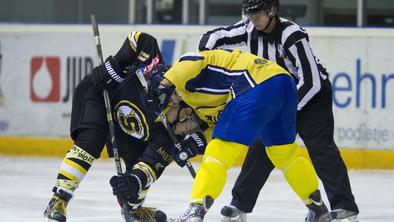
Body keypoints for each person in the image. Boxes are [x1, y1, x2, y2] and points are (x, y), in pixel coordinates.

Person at [197, 0, 359, 221]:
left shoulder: (291, 34)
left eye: (258, 13)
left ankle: (345, 206)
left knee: (322, 149)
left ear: (272, 11)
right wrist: (203, 59)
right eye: (250, 13)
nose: (254, 19)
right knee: (260, 150)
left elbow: (312, 81)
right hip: (278, 99)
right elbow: (213, 37)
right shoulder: (248, 29)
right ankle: (239, 205)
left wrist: (283, 108)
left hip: (313, 99)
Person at [43, 32, 208, 222]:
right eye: (192, 126)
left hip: (126, 127)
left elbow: (150, 165)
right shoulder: (159, 74)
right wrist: (114, 68)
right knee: (92, 141)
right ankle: (57, 201)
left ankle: (133, 209)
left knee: (138, 164)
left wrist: (133, 181)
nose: (190, 132)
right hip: (98, 94)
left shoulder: (170, 136)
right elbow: (142, 39)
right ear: (185, 112)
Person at [155, 48, 331, 222]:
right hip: (284, 84)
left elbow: (192, 60)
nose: (184, 132)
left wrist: (164, 84)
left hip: (255, 82)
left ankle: (195, 211)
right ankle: (318, 208)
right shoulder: (202, 111)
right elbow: (217, 129)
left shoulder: (184, 83)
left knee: (219, 152)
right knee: (284, 153)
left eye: (175, 127)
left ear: (182, 112)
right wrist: (194, 144)